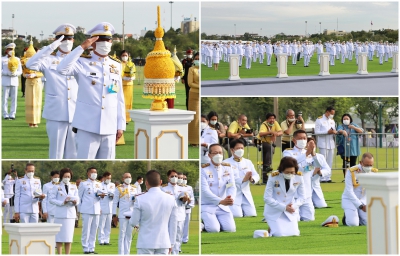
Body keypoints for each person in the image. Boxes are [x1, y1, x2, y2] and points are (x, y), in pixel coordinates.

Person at [57, 22, 126, 159]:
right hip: (87, 126)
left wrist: (120, 125)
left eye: (108, 40)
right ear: (93, 43)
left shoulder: (116, 65)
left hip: (110, 126)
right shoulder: (82, 62)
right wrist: (81, 47)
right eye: (101, 40)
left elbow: (119, 97)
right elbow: (62, 69)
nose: (105, 43)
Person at [26, 23, 78, 159]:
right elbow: (30, 64)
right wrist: (52, 47)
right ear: (57, 40)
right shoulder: (49, 60)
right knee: (56, 153)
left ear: (73, 40)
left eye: (69, 38)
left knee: (74, 154)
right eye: (62, 38)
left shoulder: (79, 60)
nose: (66, 41)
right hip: (56, 112)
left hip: (76, 112)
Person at [283, 131, 330, 221]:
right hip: (293, 193)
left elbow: (318, 165)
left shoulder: (309, 153)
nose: (303, 140)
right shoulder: (288, 152)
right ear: (294, 140)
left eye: (304, 138)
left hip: (306, 192)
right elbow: (290, 163)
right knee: (293, 219)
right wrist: (306, 154)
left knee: (309, 219)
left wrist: (313, 155)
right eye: (300, 138)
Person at [129, 170, 178, 255]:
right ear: (161, 182)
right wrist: (172, 242)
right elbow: (173, 223)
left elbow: (133, 222)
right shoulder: (171, 198)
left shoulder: (140, 199)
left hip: (145, 242)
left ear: (146, 183)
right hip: (164, 242)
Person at [263, 157, 306, 237]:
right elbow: (267, 198)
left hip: (290, 210)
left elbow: (302, 197)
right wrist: (284, 207)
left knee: (295, 234)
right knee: (280, 234)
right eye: (287, 172)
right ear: (282, 170)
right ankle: (267, 231)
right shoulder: (274, 176)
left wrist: (293, 206)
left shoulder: (299, 177)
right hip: (275, 211)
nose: (290, 174)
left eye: (292, 172)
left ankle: (271, 230)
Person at [201, 144, 237, 233]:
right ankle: (202, 224)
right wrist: (220, 201)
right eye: (215, 153)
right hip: (207, 205)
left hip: (223, 206)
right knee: (214, 230)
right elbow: (205, 191)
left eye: (220, 153)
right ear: (209, 155)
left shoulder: (228, 168)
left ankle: (214, 222)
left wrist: (230, 198)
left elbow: (231, 186)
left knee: (230, 229)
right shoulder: (203, 169)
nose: (218, 155)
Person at [224, 139, 260, 217]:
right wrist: (243, 180)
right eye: (238, 148)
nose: (240, 150)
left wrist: (252, 179)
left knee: (252, 214)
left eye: (242, 148)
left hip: (246, 194)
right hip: (233, 194)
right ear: (232, 150)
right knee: (237, 215)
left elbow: (257, 175)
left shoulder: (248, 162)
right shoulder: (226, 163)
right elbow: (226, 182)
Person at [342, 153, 377, 226]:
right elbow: (349, 192)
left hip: (364, 201)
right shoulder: (351, 171)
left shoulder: (373, 173)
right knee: (353, 224)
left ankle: (357, 216)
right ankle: (346, 217)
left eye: (371, 165)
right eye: (367, 165)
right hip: (350, 200)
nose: (369, 167)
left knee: (369, 223)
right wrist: (360, 206)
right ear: (361, 163)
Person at [49, 168, 79, 254]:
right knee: (59, 237)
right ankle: (59, 253)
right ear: (62, 176)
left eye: (69, 176)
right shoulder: (56, 186)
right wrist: (62, 202)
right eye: (65, 176)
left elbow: (78, 198)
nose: (67, 178)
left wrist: (75, 202)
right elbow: (51, 199)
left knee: (68, 237)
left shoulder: (73, 186)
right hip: (60, 214)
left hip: (70, 214)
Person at [161, 170, 191, 254]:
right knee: (166, 236)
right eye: (172, 176)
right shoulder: (163, 188)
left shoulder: (183, 188)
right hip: (167, 216)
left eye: (176, 176)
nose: (174, 178)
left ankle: (175, 253)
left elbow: (185, 202)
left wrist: (185, 200)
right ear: (168, 178)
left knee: (177, 237)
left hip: (179, 215)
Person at [78, 167, 103, 254]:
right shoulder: (83, 183)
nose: (94, 174)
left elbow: (100, 197)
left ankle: (92, 248)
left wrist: (101, 196)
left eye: (95, 172)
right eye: (92, 172)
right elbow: (79, 198)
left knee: (94, 230)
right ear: (88, 173)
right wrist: (79, 210)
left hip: (96, 209)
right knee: (86, 230)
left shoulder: (99, 184)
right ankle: (85, 248)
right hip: (86, 210)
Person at [112, 172, 137, 254]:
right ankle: (121, 253)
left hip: (132, 214)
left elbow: (137, 202)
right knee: (122, 235)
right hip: (123, 214)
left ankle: (127, 253)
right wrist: (114, 214)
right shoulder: (119, 188)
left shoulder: (134, 188)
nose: (128, 178)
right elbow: (115, 202)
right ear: (123, 178)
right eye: (126, 177)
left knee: (129, 236)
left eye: (129, 177)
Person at [21, 41, 44, 128]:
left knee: (37, 102)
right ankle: (30, 121)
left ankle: (36, 121)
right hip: (29, 82)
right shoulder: (24, 61)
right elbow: (23, 72)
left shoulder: (39, 61)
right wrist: (26, 75)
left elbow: (42, 73)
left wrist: (35, 74)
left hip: (37, 82)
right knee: (29, 102)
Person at [336, 114, 364, 180]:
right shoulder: (341, 126)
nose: (345, 120)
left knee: (353, 164)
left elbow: (361, 131)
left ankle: (353, 177)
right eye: (344, 119)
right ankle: (345, 177)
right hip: (345, 148)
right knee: (345, 164)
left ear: (350, 119)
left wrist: (354, 127)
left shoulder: (353, 125)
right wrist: (343, 131)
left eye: (347, 119)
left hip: (353, 148)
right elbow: (338, 130)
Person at [257, 113, 283, 183]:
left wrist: (275, 134)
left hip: (269, 143)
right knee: (269, 149)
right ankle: (267, 166)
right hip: (261, 141)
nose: (272, 120)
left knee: (267, 156)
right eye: (270, 118)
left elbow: (281, 132)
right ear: (267, 119)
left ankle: (265, 178)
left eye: (273, 118)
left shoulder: (275, 123)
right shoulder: (264, 124)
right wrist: (271, 132)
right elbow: (261, 134)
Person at [315, 106, 337, 182]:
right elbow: (317, 132)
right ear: (327, 112)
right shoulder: (319, 119)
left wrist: (334, 132)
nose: (332, 115)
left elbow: (333, 131)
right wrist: (327, 132)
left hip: (331, 143)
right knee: (322, 161)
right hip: (323, 143)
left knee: (330, 161)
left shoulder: (332, 121)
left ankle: (328, 177)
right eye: (331, 113)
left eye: (333, 114)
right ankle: (322, 177)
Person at [2, 43, 22, 120]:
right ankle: (5, 114)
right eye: (9, 49)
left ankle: (12, 114)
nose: (11, 51)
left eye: (12, 49)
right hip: (5, 80)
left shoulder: (17, 59)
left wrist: (15, 73)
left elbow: (20, 71)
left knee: (14, 99)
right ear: (6, 50)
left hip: (14, 80)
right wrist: (7, 73)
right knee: (5, 98)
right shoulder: (2, 59)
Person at [98, 171, 115, 246]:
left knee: (108, 225)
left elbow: (114, 194)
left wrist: (112, 196)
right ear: (104, 178)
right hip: (102, 206)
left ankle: (106, 240)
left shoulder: (112, 185)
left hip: (110, 207)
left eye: (110, 178)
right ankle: (101, 240)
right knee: (101, 225)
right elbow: (97, 195)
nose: (109, 179)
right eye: (107, 178)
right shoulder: (99, 185)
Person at [120, 50, 136, 123]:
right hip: (121, 85)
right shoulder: (119, 64)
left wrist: (132, 77)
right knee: (122, 101)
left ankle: (127, 118)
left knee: (129, 101)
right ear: (121, 56)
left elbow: (134, 73)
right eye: (123, 55)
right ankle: (121, 118)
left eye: (126, 55)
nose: (125, 57)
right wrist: (123, 78)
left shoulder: (131, 64)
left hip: (129, 85)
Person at [188, 52, 200, 146]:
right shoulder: (192, 69)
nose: (198, 60)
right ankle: (193, 141)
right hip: (194, 94)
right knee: (194, 118)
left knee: (201, 118)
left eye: (199, 58)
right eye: (196, 58)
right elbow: (190, 83)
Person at [181, 174, 195, 244]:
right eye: (183, 179)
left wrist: (189, 205)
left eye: (185, 178)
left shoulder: (189, 187)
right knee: (180, 225)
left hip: (187, 209)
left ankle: (185, 239)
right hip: (180, 209)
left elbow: (192, 198)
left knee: (186, 225)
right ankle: (179, 239)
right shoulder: (178, 188)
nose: (184, 180)